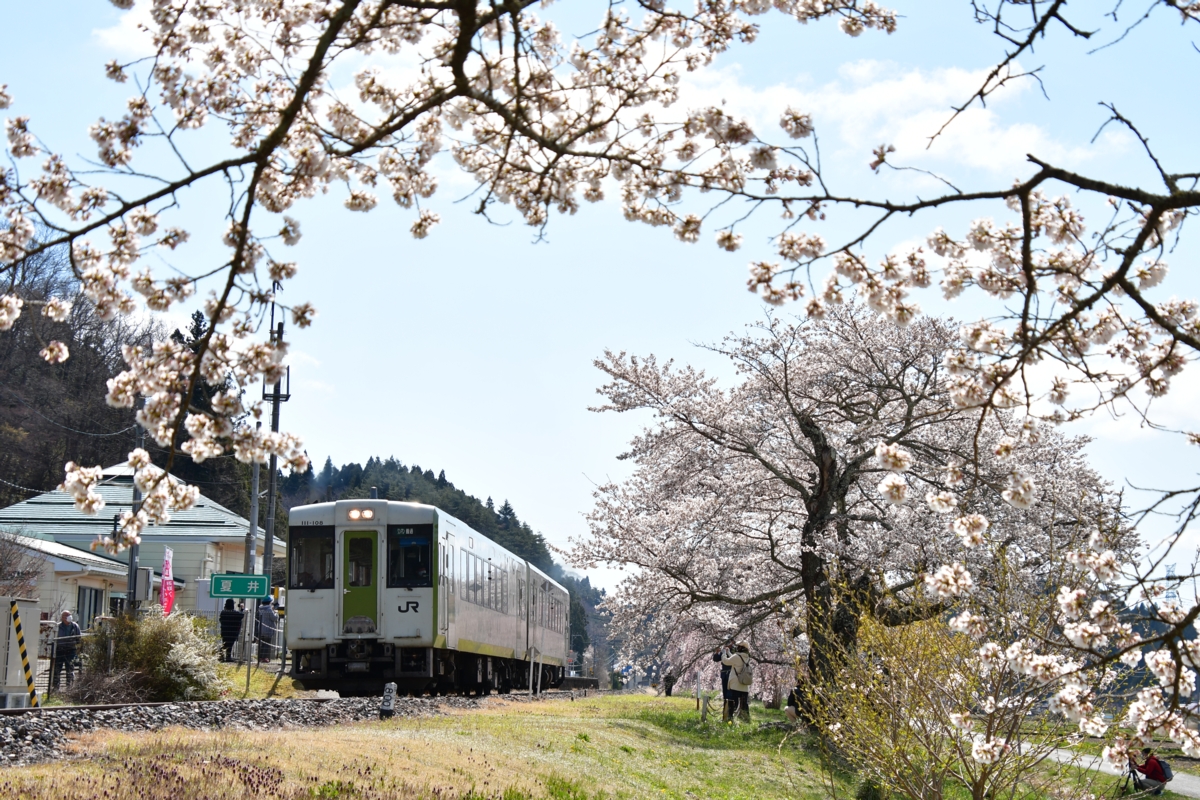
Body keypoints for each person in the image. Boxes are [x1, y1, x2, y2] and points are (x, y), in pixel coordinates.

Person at [721, 642, 752, 723]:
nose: (737, 647)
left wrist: (724, 653)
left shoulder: (737, 656)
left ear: (741, 647)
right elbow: (736, 660)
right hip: (744, 685)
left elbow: (725, 661)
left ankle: (729, 719)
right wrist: (729, 652)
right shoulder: (747, 657)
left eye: (738, 646)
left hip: (735, 685)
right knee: (744, 705)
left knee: (732, 703)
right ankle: (746, 720)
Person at [51, 611, 82, 692]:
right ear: (62, 617)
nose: (69, 616)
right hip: (60, 650)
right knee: (57, 669)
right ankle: (56, 688)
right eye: (67, 615)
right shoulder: (58, 626)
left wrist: (77, 648)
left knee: (70, 669)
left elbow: (79, 638)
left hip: (71, 650)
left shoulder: (75, 626)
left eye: (69, 615)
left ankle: (69, 688)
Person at [712, 642, 733, 721]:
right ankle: (725, 714)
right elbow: (716, 659)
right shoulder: (724, 651)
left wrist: (727, 653)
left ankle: (730, 714)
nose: (726, 645)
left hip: (732, 676)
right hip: (724, 675)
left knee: (730, 695)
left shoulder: (733, 651)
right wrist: (717, 652)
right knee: (725, 695)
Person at [256, 598, 279, 664]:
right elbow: (274, 618)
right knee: (267, 644)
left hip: (261, 628)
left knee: (262, 644)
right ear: (269, 602)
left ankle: (260, 657)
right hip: (268, 629)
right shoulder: (269, 609)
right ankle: (264, 658)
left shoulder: (260, 609)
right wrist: (276, 613)